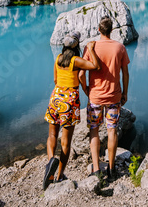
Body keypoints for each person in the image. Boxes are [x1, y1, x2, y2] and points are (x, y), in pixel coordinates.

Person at [43, 31, 101, 190]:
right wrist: (91, 50)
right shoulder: (76, 61)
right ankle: (60, 174)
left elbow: (55, 79)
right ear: (77, 47)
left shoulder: (58, 59)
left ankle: (50, 163)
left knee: (52, 135)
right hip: (69, 101)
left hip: (55, 97)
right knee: (66, 141)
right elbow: (95, 66)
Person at [79, 16, 130, 180]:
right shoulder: (120, 47)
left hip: (95, 97)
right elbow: (125, 73)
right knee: (112, 131)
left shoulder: (90, 47)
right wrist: (125, 93)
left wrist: (86, 89)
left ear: (99, 30)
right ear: (112, 30)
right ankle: (111, 168)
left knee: (94, 130)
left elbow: (81, 74)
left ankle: (96, 168)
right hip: (114, 97)